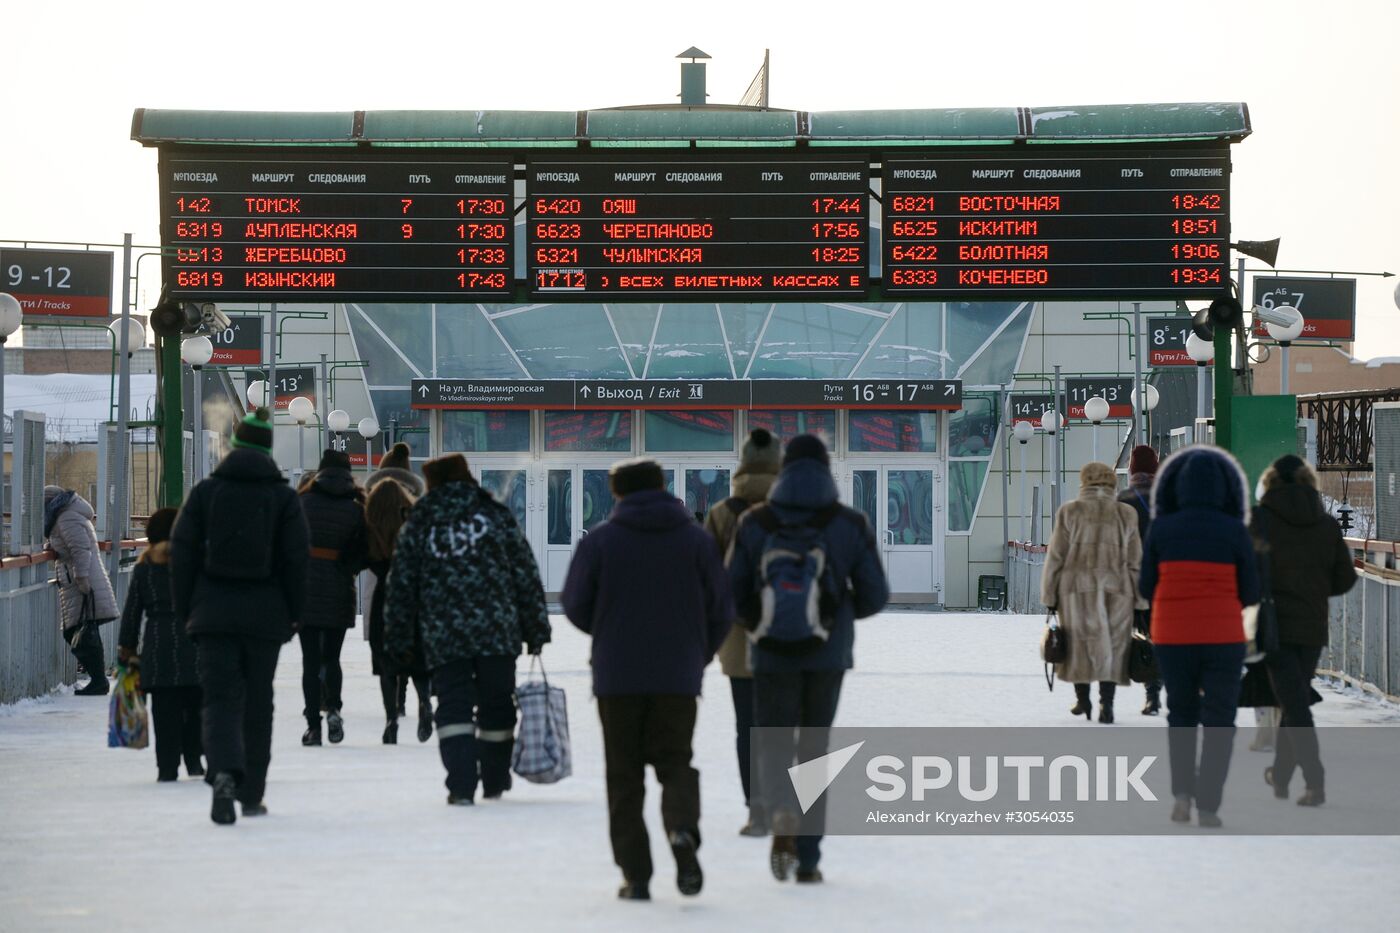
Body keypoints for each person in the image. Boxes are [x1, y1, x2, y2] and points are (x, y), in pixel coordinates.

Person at [562, 458, 733, 901]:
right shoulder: (696, 541)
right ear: (661, 486)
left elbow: (576, 604)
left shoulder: (600, 541)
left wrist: (608, 631)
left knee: (624, 775)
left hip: (617, 676)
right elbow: (722, 607)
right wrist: (700, 653)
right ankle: (682, 830)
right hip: (678, 675)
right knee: (675, 761)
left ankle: (636, 876)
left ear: (617, 493)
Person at [727, 434, 889, 884]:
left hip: (771, 653)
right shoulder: (849, 523)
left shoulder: (756, 521)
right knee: (815, 750)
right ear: (826, 468)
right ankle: (810, 859)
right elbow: (876, 595)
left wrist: (760, 618)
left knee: (774, 742)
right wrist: (834, 611)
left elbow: (730, 592)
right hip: (827, 656)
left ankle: (781, 811)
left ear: (784, 469)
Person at [383, 453, 550, 807]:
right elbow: (525, 573)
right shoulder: (494, 514)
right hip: (497, 633)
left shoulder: (421, 520)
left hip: (444, 635)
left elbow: (401, 585)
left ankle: (461, 785)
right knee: (498, 706)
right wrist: (535, 628)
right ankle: (494, 779)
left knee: (454, 707)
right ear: (468, 477)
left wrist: (397, 638)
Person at [171, 407, 309, 825]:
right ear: (267, 450)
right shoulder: (283, 497)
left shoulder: (205, 493)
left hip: (212, 616)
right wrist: (293, 615)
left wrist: (188, 612)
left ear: (235, 446)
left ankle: (224, 774)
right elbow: (297, 560)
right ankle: (251, 794)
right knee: (257, 702)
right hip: (266, 619)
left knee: (219, 699)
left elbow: (182, 553)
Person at [1140, 445, 1259, 828]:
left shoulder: (1162, 527)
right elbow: (1252, 592)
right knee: (1220, 717)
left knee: (1182, 713)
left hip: (1172, 634)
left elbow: (1145, 585)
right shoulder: (1234, 530)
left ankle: (1180, 796)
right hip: (1223, 635)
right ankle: (1208, 804)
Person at [1250, 454, 1356, 807]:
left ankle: (1315, 781)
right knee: (1292, 700)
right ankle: (1280, 776)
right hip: (1312, 627)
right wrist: (1313, 590)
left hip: (1273, 626)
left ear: (1269, 483)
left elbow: (1245, 573)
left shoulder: (1260, 520)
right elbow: (1345, 578)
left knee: (1295, 705)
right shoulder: (1326, 525)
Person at [702, 427, 781, 837]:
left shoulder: (722, 513)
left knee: (747, 727)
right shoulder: (799, 507)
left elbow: (708, 579)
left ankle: (757, 809)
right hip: (793, 637)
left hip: (739, 641)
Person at [1042, 462, 1141, 723]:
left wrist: (1050, 595)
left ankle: (1083, 699)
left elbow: (1055, 557)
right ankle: (1106, 705)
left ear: (1083, 481)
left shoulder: (1070, 511)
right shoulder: (1126, 514)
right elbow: (1135, 561)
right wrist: (1141, 600)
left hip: (1076, 589)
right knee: (1113, 645)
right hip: (1118, 588)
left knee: (1078, 644)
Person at [118, 508, 203, 781]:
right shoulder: (197, 563)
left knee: (165, 712)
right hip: (195, 643)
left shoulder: (144, 569)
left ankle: (166, 767)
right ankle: (194, 760)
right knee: (196, 707)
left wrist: (127, 649)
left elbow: (132, 613)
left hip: (158, 647)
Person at [296, 448, 369, 747]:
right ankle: (335, 709)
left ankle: (313, 726)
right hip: (340, 589)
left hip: (307, 589)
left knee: (310, 662)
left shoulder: (302, 502)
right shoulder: (356, 508)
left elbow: (289, 544)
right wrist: (345, 567)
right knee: (333, 658)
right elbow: (365, 551)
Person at [365, 442, 432, 744]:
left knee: (384, 658)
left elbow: (359, 556)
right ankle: (425, 703)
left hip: (384, 593)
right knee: (416, 654)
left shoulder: (372, 515)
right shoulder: (417, 514)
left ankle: (392, 718)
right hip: (415, 595)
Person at [44, 486, 119, 696]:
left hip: (82, 581)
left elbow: (80, 549)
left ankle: (98, 680)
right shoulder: (66, 516)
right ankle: (97, 678)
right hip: (76, 580)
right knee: (81, 631)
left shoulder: (66, 517)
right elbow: (69, 544)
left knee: (81, 632)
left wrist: (82, 578)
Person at [1118, 445, 1163, 715]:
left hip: (1131, 579)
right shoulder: (1169, 498)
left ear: (1132, 470)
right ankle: (1157, 687)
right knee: (1161, 634)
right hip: (1165, 578)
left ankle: (1151, 691)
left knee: (1143, 633)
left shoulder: (1122, 500)